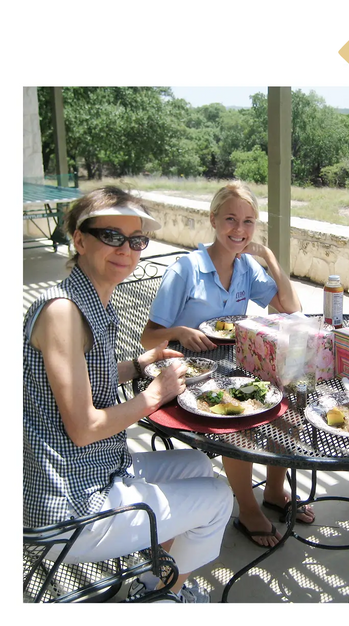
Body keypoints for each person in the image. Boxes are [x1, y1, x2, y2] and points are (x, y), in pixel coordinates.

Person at [23, 186, 233, 603]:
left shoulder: (91, 301)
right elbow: (84, 428)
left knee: (195, 462)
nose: (127, 249)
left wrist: (137, 365)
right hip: (70, 505)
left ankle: (156, 577)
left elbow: (84, 378)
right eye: (112, 236)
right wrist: (154, 393)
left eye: (137, 240)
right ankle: (166, 596)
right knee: (219, 497)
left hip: (97, 469)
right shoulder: (62, 310)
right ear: (79, 240)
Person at [141, 181, 315, 548]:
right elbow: (148, 338)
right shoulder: (185, 269)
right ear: (213, 220)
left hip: (233, 366)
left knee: (291, 393)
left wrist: (269, 257)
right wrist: (180, 331)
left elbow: (290, 307)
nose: (239, 229)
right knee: (241, 415)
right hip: (187, 374)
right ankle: (247, 507)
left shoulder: (247, 268)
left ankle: (273, 490)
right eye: (231, 219)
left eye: (249, 222)